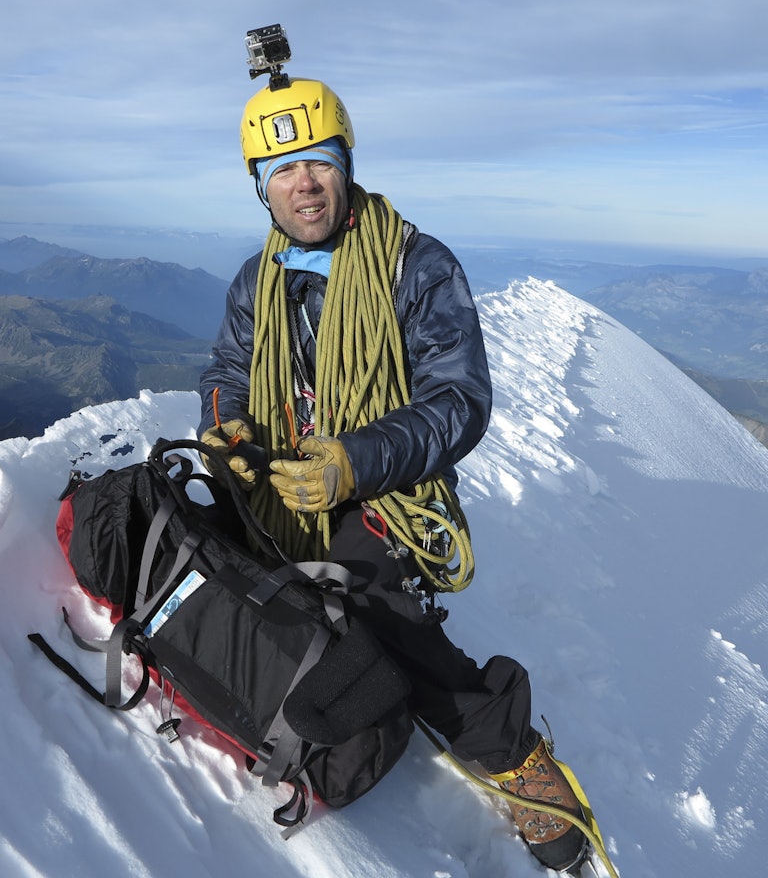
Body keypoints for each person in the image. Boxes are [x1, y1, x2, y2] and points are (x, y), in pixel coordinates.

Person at [198, 69, 588, 873]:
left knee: (372, 599)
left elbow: (460, 399)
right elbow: (229, 369)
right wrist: (225, 424)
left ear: (346, 164)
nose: (304, 184)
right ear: (261, 189)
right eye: (284, 171)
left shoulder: (416, 266)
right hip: (275, 483)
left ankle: (510, 749)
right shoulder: (257, 280)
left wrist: (354, 462)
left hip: (380, 489)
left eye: (320, 162)